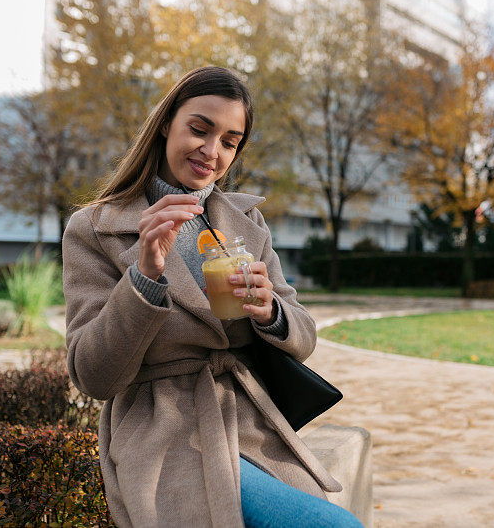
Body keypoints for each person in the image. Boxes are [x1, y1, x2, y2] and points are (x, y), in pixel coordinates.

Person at [62, 66, 363, 527]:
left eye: (230, 141)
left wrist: (271, 312)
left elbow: (303, 336)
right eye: (199, 130)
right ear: (166, 124)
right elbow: (93, 375)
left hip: (250, 424)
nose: (212, 151)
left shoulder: (245, 222)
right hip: (161, 429)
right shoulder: (95, 228)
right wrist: (145, 274)